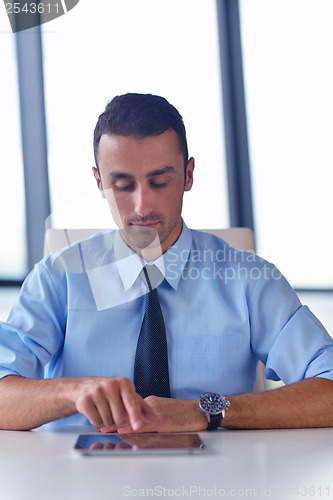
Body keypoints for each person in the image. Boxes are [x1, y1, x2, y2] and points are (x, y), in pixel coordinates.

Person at [0, 93, 333, 432]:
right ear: (100, 183)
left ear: (188, 175)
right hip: (78, 478)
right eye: (123, 185)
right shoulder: (57, 279)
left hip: (220, 481)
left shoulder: (251, 279)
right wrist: (71, 392)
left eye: (159, 182)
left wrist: (205, 410)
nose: (142, 206)